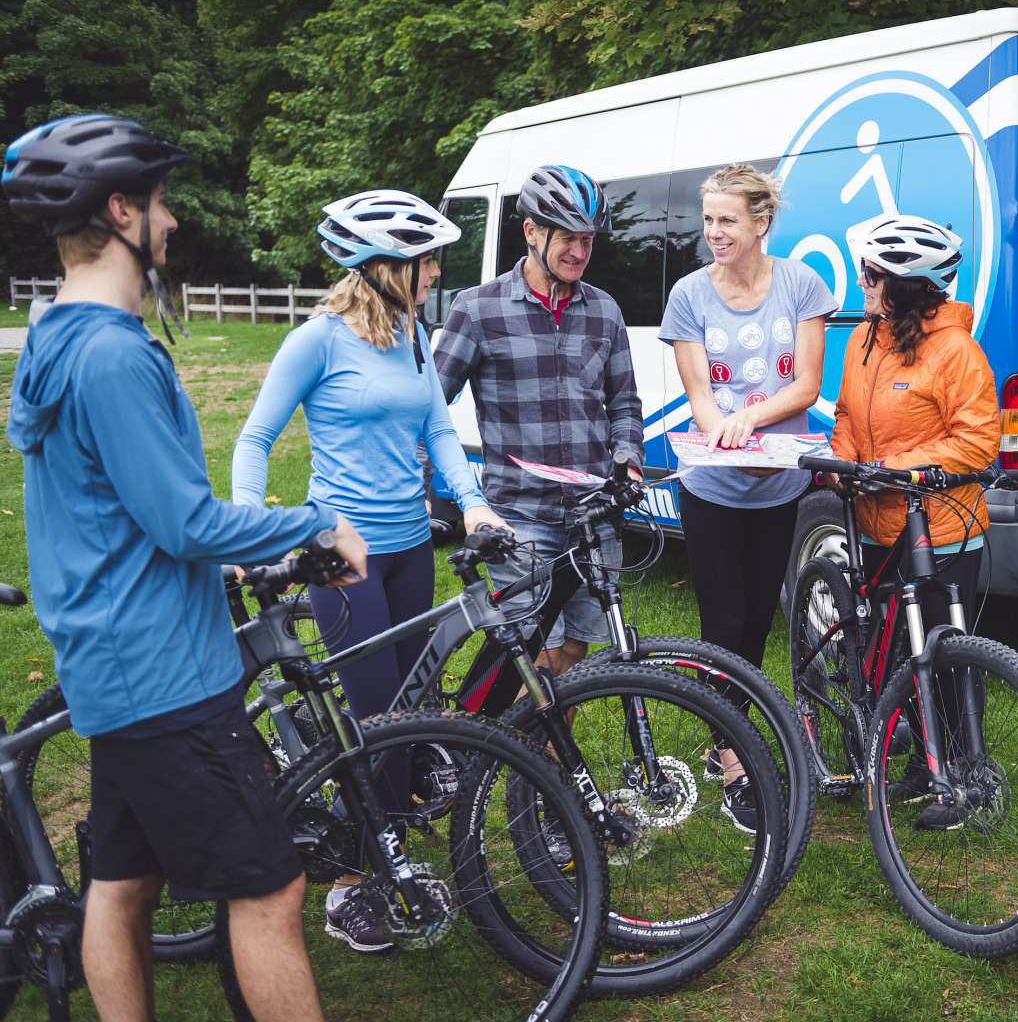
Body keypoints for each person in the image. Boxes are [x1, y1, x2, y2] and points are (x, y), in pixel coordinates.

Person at [3, 113, 368, 1021]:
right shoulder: (112, 355)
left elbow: (112, 515)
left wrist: (223, 565)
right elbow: (181, 520)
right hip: (167, 679)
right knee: (270, 891)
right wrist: (318, 522)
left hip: (111, 667)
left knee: (123, 884)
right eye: (159, 203)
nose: (170, 222)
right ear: (120, 209)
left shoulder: (54, 338)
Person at [232, 189, 506, 951]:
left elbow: (438, 429)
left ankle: (387, 847)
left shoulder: (415, 334)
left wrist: (473, 502)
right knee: (376, 726)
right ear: (383, 266)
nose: (435, 271)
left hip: (412, 546)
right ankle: (353, 886)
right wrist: (254, 525)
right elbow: (253, 438)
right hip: (344, 556)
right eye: (425, 259)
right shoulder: (317, 340)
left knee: (408, 714)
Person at [661, 164, 838, 833]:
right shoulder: (688, 296)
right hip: (711, 486)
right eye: (708, 220)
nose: (714, 233)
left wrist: (751, 419)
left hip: (778, 486)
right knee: (721, 621)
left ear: (760, 222)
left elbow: (807, 385)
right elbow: (700, 393)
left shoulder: (801, 285)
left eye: (726, 220)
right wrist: (720, 429)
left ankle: (725, 731)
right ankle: (734, 760)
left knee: (758, 621)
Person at [434, 164, 643, 684]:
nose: (579, 252)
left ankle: (539, 761)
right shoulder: (477, 310)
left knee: (577, 649)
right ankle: (533, 763)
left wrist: (627, 460)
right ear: (531, 232)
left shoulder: (605, 312)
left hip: (594, 514)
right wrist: (443, 493)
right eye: (567, 238)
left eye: (587, 241)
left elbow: (625, 404)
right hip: (519, 516)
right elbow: (430, 408)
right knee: (537, 658)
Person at [828, 212, 999, 831]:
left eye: (871, 274)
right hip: (876, 522)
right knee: (894, 647)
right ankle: (923, 765)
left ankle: (962, 775)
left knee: (946, 656)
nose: (862, 282)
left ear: (901, 284)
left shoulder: (956, 351)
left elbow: (977, 442)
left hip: (943, 528)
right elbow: (848, 414)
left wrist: (893, 467)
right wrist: (844, 462)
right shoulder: (865, 338)